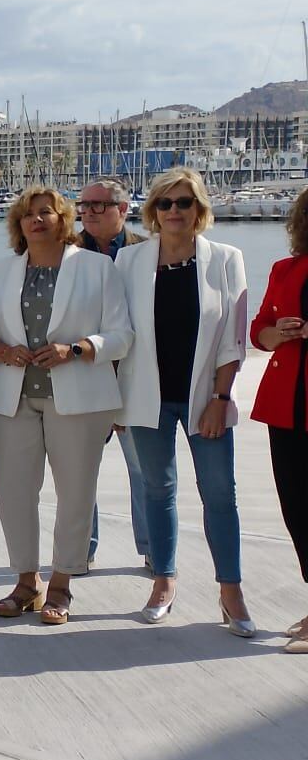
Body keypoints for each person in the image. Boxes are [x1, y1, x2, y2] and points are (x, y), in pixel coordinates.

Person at [0, 187, 132, 625]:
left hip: (79, 397)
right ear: (18, 224)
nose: (36, 219)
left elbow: (121, 335)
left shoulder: (98, 268)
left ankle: (61, 585)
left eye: (46, 212)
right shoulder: (2, 269)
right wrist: (3, 351)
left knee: (75, 493)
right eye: (27, 214)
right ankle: (27, 583)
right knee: (13, 493)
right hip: (14, 396)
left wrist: (77, 349)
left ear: (63, 218)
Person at [115, 168, 252, 634]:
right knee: (158, 491)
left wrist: (220, 397)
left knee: (220, 496)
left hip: (204, 399)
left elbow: (234, 339)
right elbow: (120, 335)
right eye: (165, 204)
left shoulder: (226, 259)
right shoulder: (129, 262)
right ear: (153, 211)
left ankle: (231, 590)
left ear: (199, 209)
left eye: (184, 202)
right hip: (147, 400)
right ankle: (163, 581)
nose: (174, 211)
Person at [76, 177, 149, 568]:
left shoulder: (148, 252)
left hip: (136, 379)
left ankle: (154, 550)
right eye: (83, 205)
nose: (87, 212)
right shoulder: (68, 252)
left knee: (144, 471)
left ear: (123, 210)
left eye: (98, 205)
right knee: (81, 472)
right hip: (85, 376)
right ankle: (80, 550)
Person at [250, 185, 308, 653]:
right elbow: (258, 330)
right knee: (297, 507)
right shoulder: (285, 268)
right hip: (285, 403)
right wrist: (276, 332)